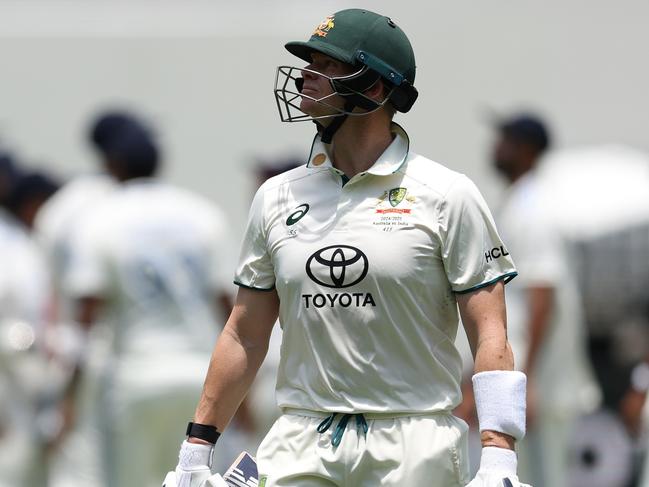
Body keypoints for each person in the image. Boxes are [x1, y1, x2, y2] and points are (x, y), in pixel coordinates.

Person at [166, 9, 530, 487]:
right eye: (308, 62)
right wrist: (196, 449)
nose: (305, 77)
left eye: (327, 65)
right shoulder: (277, 196)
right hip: (299, 438)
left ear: (376, 89)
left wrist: (499, 458)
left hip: (413, 439)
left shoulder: (447, 194)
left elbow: (490, 335)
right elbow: (244, 334)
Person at [59, 120, 237, 486]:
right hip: (199, 379)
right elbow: (230, 311)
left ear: (111, 165)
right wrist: (241, 399)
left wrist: (68, 399)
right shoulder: (201, 213)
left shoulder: (100, 218)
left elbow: (86, 320)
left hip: (135, 378)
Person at [484, 114, 599, 486]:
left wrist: (527, 383)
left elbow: (542, 296)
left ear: (529, 150)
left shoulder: (534, 208)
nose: (495, 147)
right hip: (529, 381)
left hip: (541, 387)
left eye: (506, 139)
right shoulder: (521, 200)